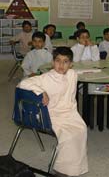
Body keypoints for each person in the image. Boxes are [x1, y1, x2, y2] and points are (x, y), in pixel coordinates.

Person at [18, 46, 88, 177]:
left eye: (65, 61)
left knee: (81, 129)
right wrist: (41, 91)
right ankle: (61, 170)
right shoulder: (46, 77)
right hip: (52, 114)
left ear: (71, 64)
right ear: (52, 62)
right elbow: (24, 83)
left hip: (70, 113)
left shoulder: (73, 74)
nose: (61, 65)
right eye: (58, 61)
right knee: (68, 135)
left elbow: (85, 71)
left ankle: (74, 168)